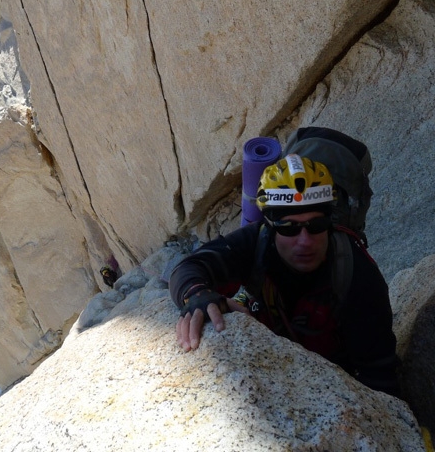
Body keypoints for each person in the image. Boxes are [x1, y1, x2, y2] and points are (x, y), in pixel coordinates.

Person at [169, 153, 399, 396]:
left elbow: (380, 372)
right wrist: (198, 294)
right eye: (288, 228)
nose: (304, 241)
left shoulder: (357, 274)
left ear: (330, 223)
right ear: (269, 225)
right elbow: (190, 268)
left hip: (334, 383)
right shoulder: (256, 241)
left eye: (316, 226)